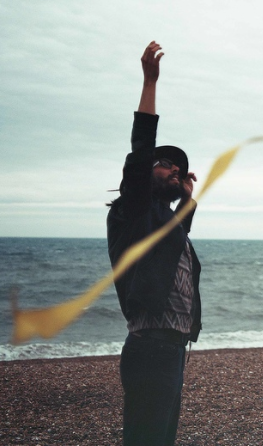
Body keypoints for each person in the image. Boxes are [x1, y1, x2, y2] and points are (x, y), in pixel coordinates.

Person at [107, 41, 203, 445]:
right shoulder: (133, 210)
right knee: (146, 438)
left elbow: (178, 235)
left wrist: (187, 198)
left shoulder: (163, 221)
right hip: (150, 347)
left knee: (162, 437)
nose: (175, 168)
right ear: (145, 172)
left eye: (179, 166)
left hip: (173, 348)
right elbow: (141, 149)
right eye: (165, 163)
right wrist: (150, 83)